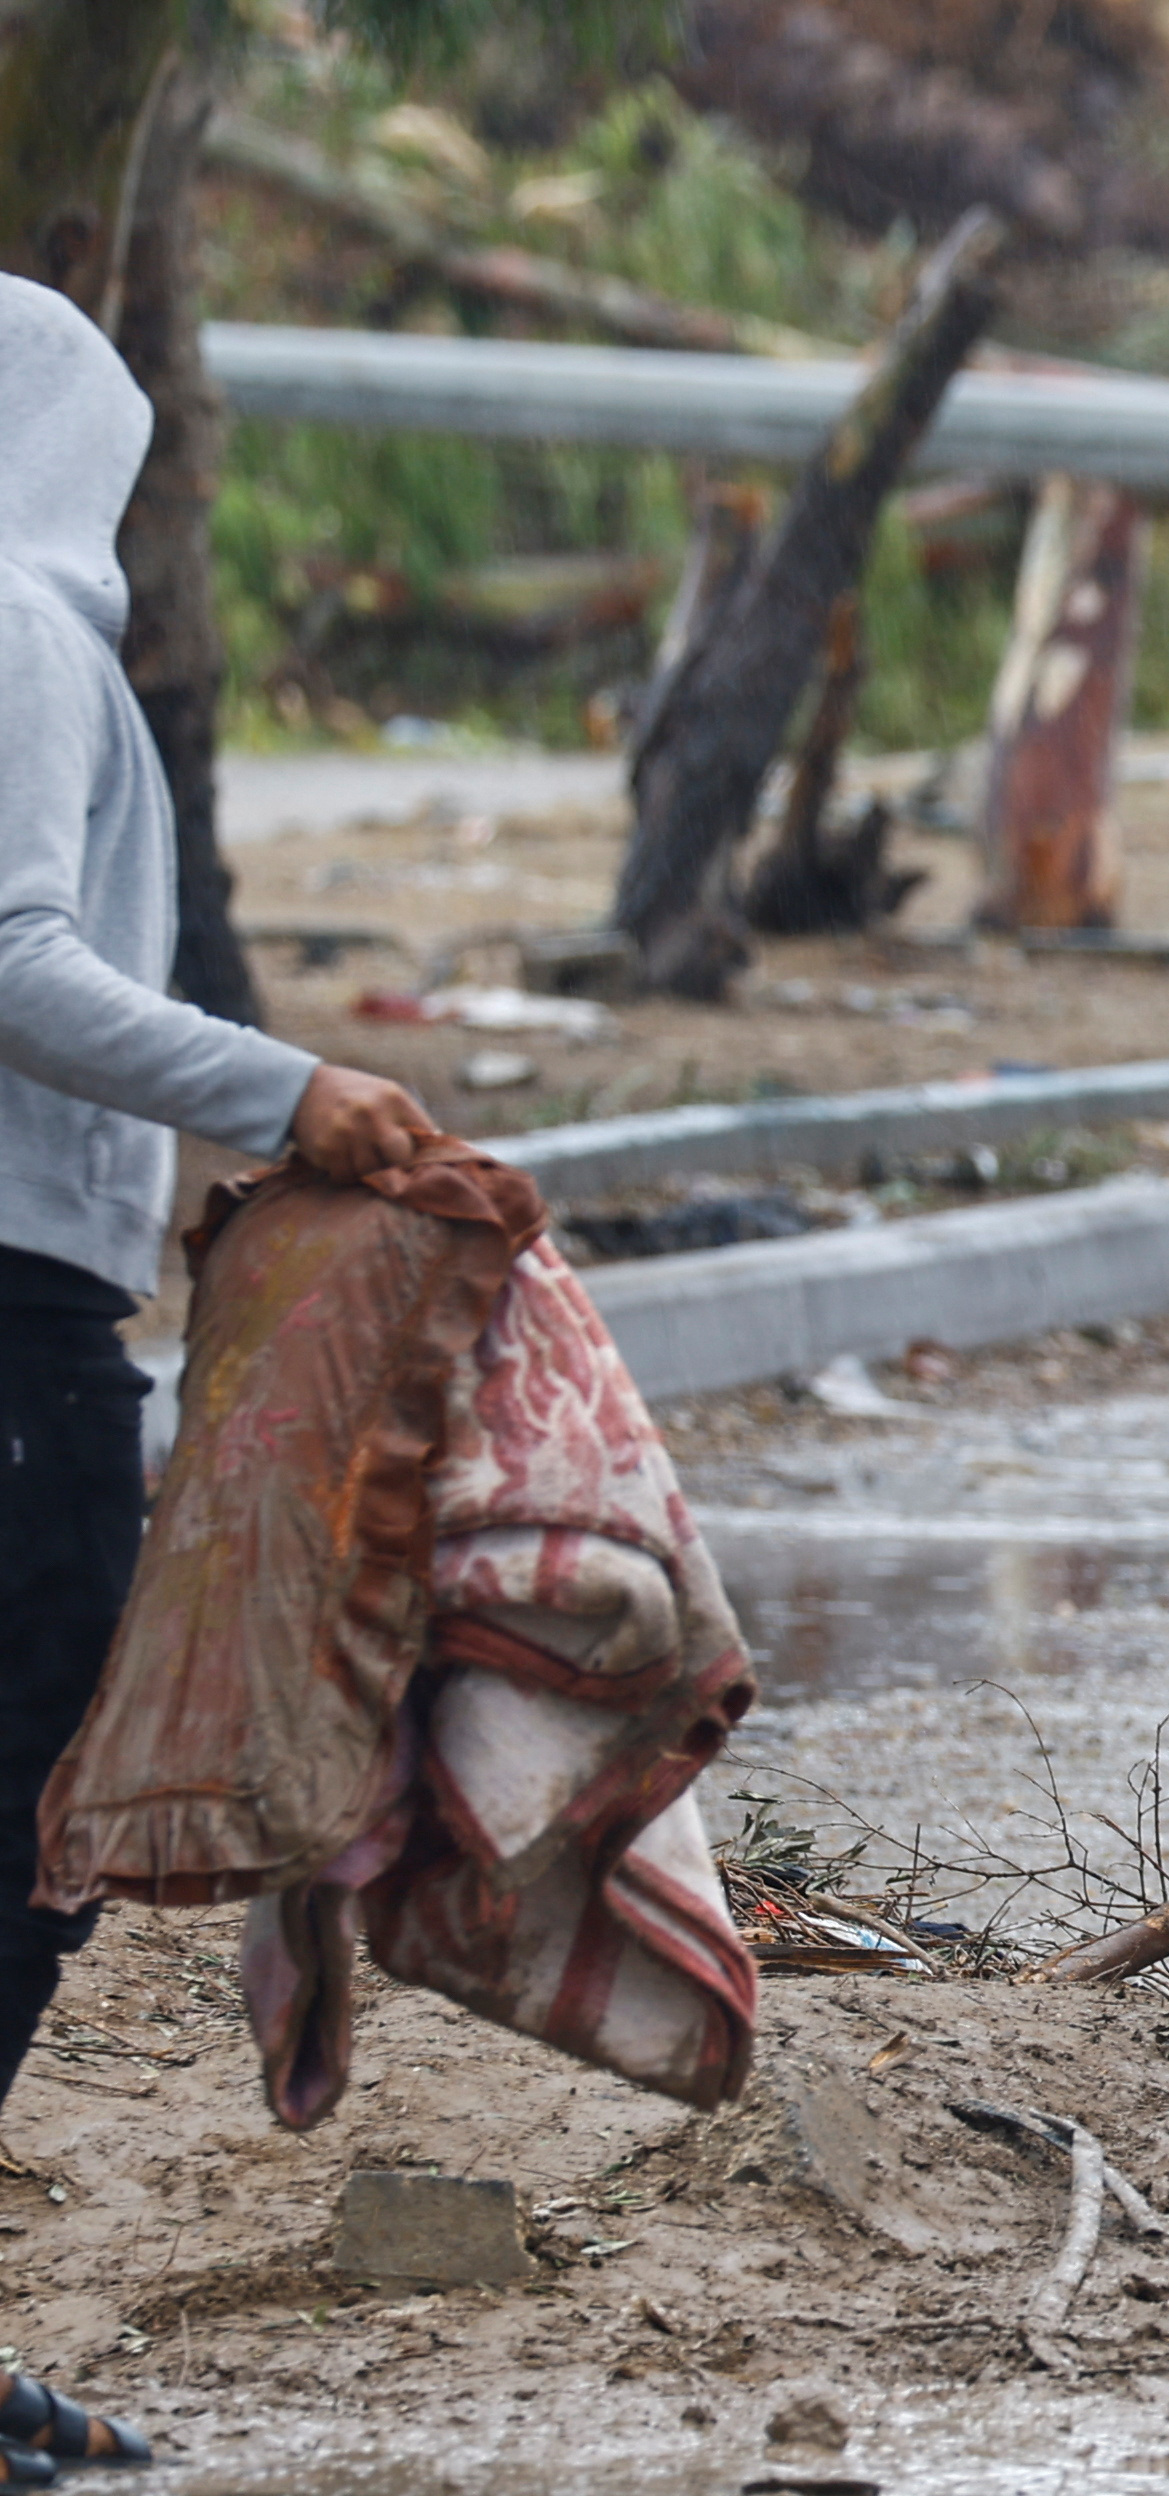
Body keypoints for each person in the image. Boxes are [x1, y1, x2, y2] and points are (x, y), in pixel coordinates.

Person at [0, 274, 435, 2473]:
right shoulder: (16, 627)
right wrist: (289, 1094)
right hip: (8, 1329)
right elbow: (11, 959)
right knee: (31, 1813)